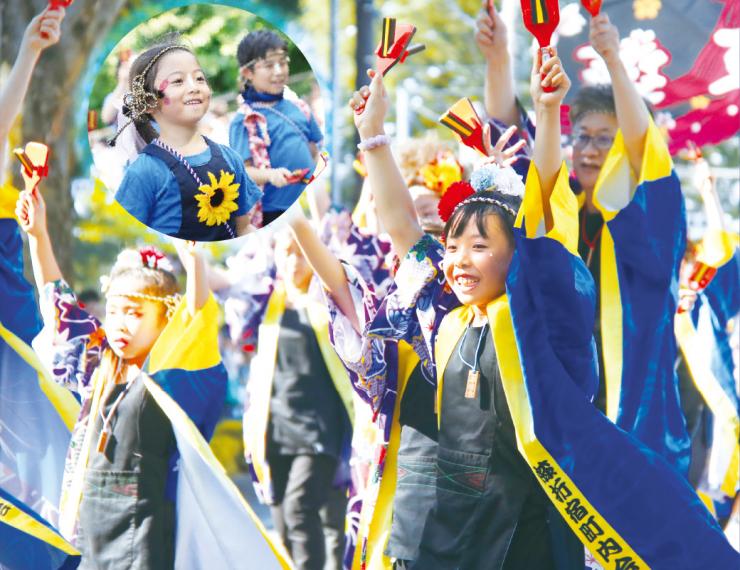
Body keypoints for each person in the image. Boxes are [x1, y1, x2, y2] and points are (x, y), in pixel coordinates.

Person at [343, 48, 738, 568]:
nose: (458, 259)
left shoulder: (538, 316)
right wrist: (373, 135)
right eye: (454, 246)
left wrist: (548, 114)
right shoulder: (445, 315)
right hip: (443, 529)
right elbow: (402, 230)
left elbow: (546, 222)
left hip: (522, 532)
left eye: (480, 246)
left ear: (519, 258)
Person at [477, 5, 690, 473]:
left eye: (604, 139)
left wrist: (612, 58)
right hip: (562, 413)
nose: (590, 150)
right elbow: (516, 151)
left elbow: (644, 152)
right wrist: (498, 60)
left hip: (635, 421)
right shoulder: (562, 208)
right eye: (584, 137)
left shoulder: (653, 223)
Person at [15, 184, 229, 568]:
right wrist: (38, 235)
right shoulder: (102, 366)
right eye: (114, 311)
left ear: (166, 317)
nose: (120, 324)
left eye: (134, 312)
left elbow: (198, 318)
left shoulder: (169, 377)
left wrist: (194, 258)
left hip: (144, 538)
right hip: (90, 533)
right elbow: (59, 304)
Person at [213, 231, 353, 570]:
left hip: (319, 430)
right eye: (286, 253)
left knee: (300, 509)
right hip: (272, 429)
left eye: (302, 253)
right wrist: (189, 248)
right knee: (284, 521)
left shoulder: (332, 300)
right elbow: (221, 284)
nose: (294, 262)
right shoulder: (263, 303)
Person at [113, 36, 261, 241]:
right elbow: (127, 239)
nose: (194, 87)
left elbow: (244, 229)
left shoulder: (230, 158)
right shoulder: (144, 172)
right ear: (149, 101)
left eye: (199, 78)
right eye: (178, 81)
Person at [229, 29, 323, 226]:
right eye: (269, 65)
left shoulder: (299, 107)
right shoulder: (244, 120)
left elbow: (315, 150)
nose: (279, 71)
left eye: (282, 63)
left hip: (313, 204)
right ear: (248, 73)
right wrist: (270, 175)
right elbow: (243, 172)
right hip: (276, 213)